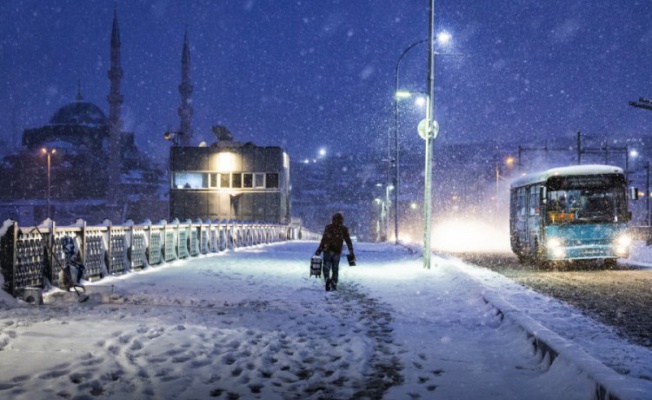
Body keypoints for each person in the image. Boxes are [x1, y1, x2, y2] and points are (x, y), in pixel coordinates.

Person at [315, 212, 355, 291]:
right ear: (342, 220)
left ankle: (327, 279)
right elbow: (348, 240)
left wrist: (319, 250)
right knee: (335, 268)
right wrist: (351, 251)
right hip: (337, 251)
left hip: (327, 250)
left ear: (332, 220)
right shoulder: (343, 229)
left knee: (326, 267)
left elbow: (324, 240)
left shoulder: (328, 227)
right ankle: (334, 282)